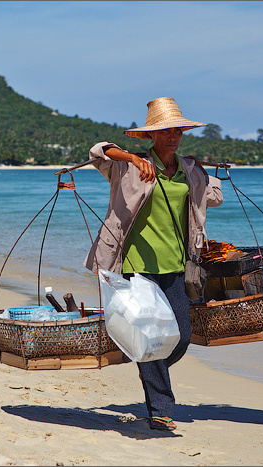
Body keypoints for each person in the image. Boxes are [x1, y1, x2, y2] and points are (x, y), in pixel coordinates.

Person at [83, 97, 223, 431]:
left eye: (177, 130)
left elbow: (214, 197)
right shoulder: (128, 168)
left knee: (181, 336)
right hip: (135, 265)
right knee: (149, 336)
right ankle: (160, 410)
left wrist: (201, 171)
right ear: (152, 136)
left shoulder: (187, 171)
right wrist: (131, 156)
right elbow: (97, 151)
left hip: (175, 265)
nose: (173, 136)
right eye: (165, 132)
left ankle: (147, 361)